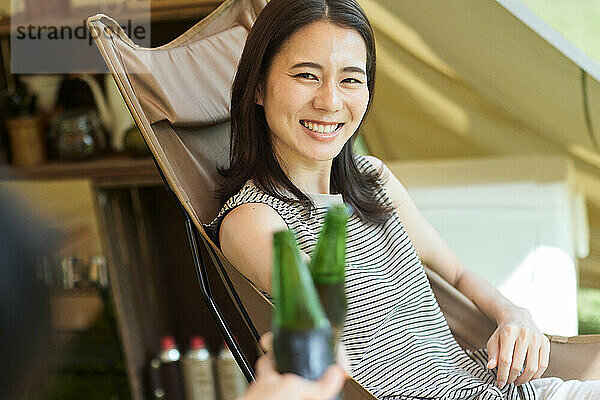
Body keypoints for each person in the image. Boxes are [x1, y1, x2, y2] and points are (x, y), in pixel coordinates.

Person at [204, 0, 600, 399]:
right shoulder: (254, 219)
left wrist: (515, 315)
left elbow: (459, 276)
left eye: (351, 80)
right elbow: (315, 314)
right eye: (307, 75)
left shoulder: (373, 179)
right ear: (257, 86)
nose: (330, 102)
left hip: (503, 387)